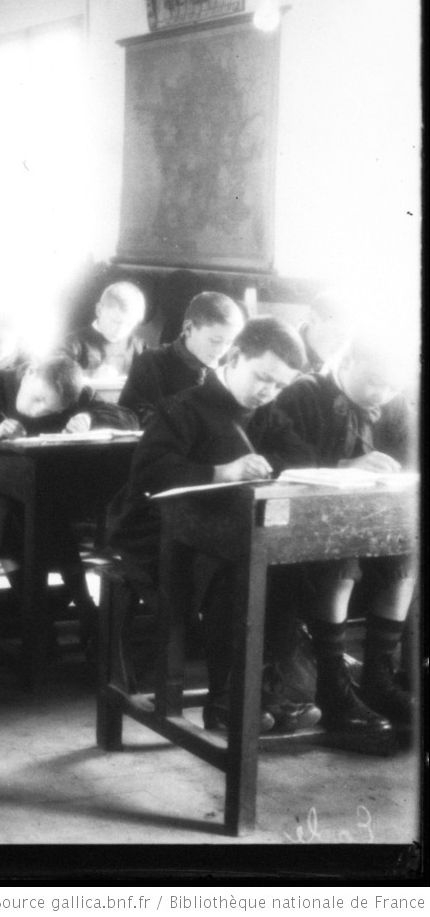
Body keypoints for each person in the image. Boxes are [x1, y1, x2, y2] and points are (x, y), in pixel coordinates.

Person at [106, 317, 319, 734]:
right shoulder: (180, 408)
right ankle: (226, 700)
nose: (268, 392)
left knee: (288, 566)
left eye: (279, 386)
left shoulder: (265, 412)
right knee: (231, 571)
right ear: (235, 357)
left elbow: (301, 457)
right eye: (263, 378)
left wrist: (267, 465)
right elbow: (151, 474)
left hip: (228, 531)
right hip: (156, 534)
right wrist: (223, 472)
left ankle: (265, 688)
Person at [0, 354, 139, 634]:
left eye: (50, 410)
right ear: (28, 373)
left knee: (38, 507)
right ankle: (61, 611)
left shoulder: (75, 392)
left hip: (39, 491)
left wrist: (89, 418)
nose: (39, 411)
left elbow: (126, 418)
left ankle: (57, 614)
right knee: (12, 513)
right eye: (38, 399)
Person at [274, 333, 417, 741]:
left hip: (369, 528)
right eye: (374, 382)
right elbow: (284, 460)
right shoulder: (302, 394)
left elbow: (408, 461)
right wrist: (347, 466)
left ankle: (378, 678)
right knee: (341, 555)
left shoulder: (390, 402)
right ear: (347, 360)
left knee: (404, 555)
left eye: (392, 386)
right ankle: (333, 686)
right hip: (302, 538)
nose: (382, 394)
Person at [119, 292, 245, 426]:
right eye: (215, 341)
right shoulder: (151, 363)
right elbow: (132, 416)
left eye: (229, 343)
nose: (221, 351)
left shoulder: (228, 371)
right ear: (188, 328)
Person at [59, 281, 147, 377]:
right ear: (99, 310)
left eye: (129, 325)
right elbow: (52, 376)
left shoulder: (139, 347)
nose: (120, 330)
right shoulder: (73, 344)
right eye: (116, 321)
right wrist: (90, 375)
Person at [298, 289, 354, 374]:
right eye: (337, 333)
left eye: (347, 336)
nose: (342, 343)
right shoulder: (280, 353)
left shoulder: (343, 368)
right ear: (313, 319)